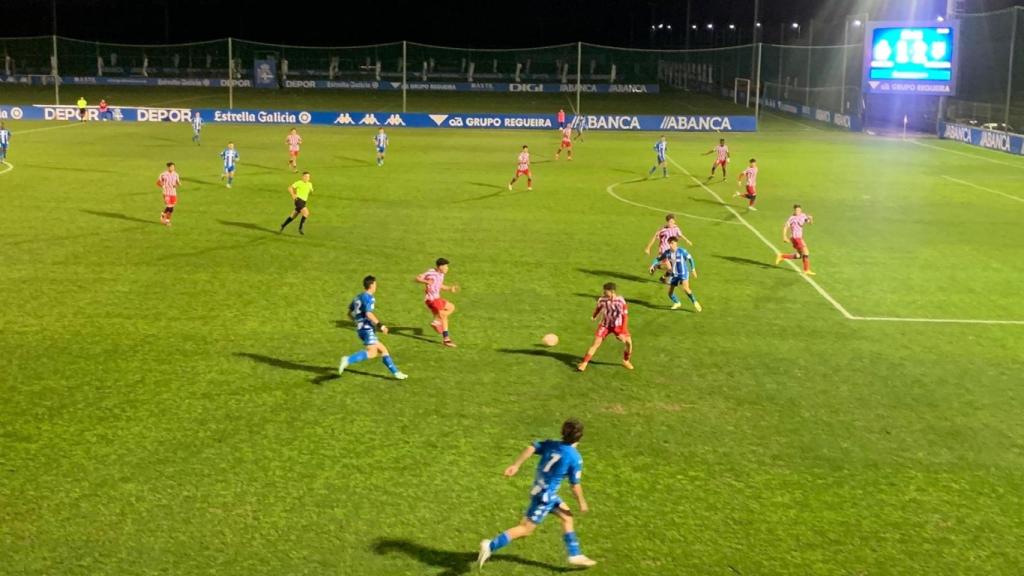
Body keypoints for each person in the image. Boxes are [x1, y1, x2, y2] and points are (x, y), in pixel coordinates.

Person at [477, 418, 597, 569]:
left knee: (567, 517)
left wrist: (516, 465)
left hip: (541, 491)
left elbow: (532, 447)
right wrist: (582, 502)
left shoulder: (552, 445)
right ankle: (490, 545)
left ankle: (575, 554)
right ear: (580, 437)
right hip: (545, 498)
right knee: (525, 529)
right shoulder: (575, 458)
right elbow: (575, 485)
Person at [337, 275, 408, 380]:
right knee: (372, 352)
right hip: (367, 328)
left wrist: (357, 322)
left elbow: (349, 313)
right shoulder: (369, 297)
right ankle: (348, 360)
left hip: (361, 328)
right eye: (375, 284)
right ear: (371, 285)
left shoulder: (358, 297)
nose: (376, 286)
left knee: (383, 350)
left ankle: (396, 373)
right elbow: (368, 314)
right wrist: (381, 326)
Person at [577, 282, 633, 372]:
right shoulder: (602, 300)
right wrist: (594, 316)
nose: (604, 293)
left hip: (618, 325)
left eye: (605, 292)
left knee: (629, 343)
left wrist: (622, 332)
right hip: (605, 325)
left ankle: (626, 360)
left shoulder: (621, 301)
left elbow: (625, 317)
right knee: (596, 343)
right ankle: (584, 363)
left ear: (612, 291)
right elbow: (599, 307)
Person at [415, 258, 459, 348]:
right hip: (432, 299)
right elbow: (417, 278)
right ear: (440, 266)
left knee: (449, 310)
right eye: (446, 266)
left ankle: (445, 336)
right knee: (444, 316)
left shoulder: (441, 274)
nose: (447, 268)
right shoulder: (431, 272)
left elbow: (439, 285)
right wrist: (426, 281)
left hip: (437, 298)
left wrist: (449, 288)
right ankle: (439, 327)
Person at [644, 213, 691, 278]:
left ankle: (658, 270)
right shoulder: (663, 229)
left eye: (673, 221)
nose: (672, 223)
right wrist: (648, 248)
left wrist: (687, 240)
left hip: (672, 250)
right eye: (670, 222)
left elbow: (680, 234)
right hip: (664, 249)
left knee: (673, 267)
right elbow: (655, 236)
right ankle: (657, 269)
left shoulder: (676, 228)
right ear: (667, 222)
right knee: (670, 269)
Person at [661, 237, 701, 311]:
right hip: (674, 274)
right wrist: (653, 265)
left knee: (686, 289)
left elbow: (690, 259)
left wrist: (693, 269)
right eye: (669, 243)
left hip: (683, 273)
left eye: (672, 243)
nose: (670, 245)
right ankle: (677, 302)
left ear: (676, 243)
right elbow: (659, 259)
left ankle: (695, 302)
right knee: (670, 293)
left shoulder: (682, 251)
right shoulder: (667, 253)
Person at [776, 204, 815, 275]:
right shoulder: (792, 218)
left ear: (801, 210)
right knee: (806, 252)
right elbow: (785, 227)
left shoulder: (803, 215)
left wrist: (811, 218)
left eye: (799, 210)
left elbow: (810, 223)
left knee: (799, 255)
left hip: (799, 238)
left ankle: (782, 256)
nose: (798, 211)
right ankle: (806, 270)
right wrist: (784, 236)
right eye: (796, 210)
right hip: (796, 238)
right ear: (794, 210)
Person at [156, 161, 180, 227]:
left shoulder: (176, 174)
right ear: (168, 167)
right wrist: (163, 186)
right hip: (166, 193)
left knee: (171, 208)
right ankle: (165, 218)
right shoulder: (163, 174)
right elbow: (158, 183)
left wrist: (177, 185)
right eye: (171, 167)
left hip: (173, 193)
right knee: (169, 206)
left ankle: (165, 218)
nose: (173, 168)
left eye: (173, 167)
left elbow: (178, 183)